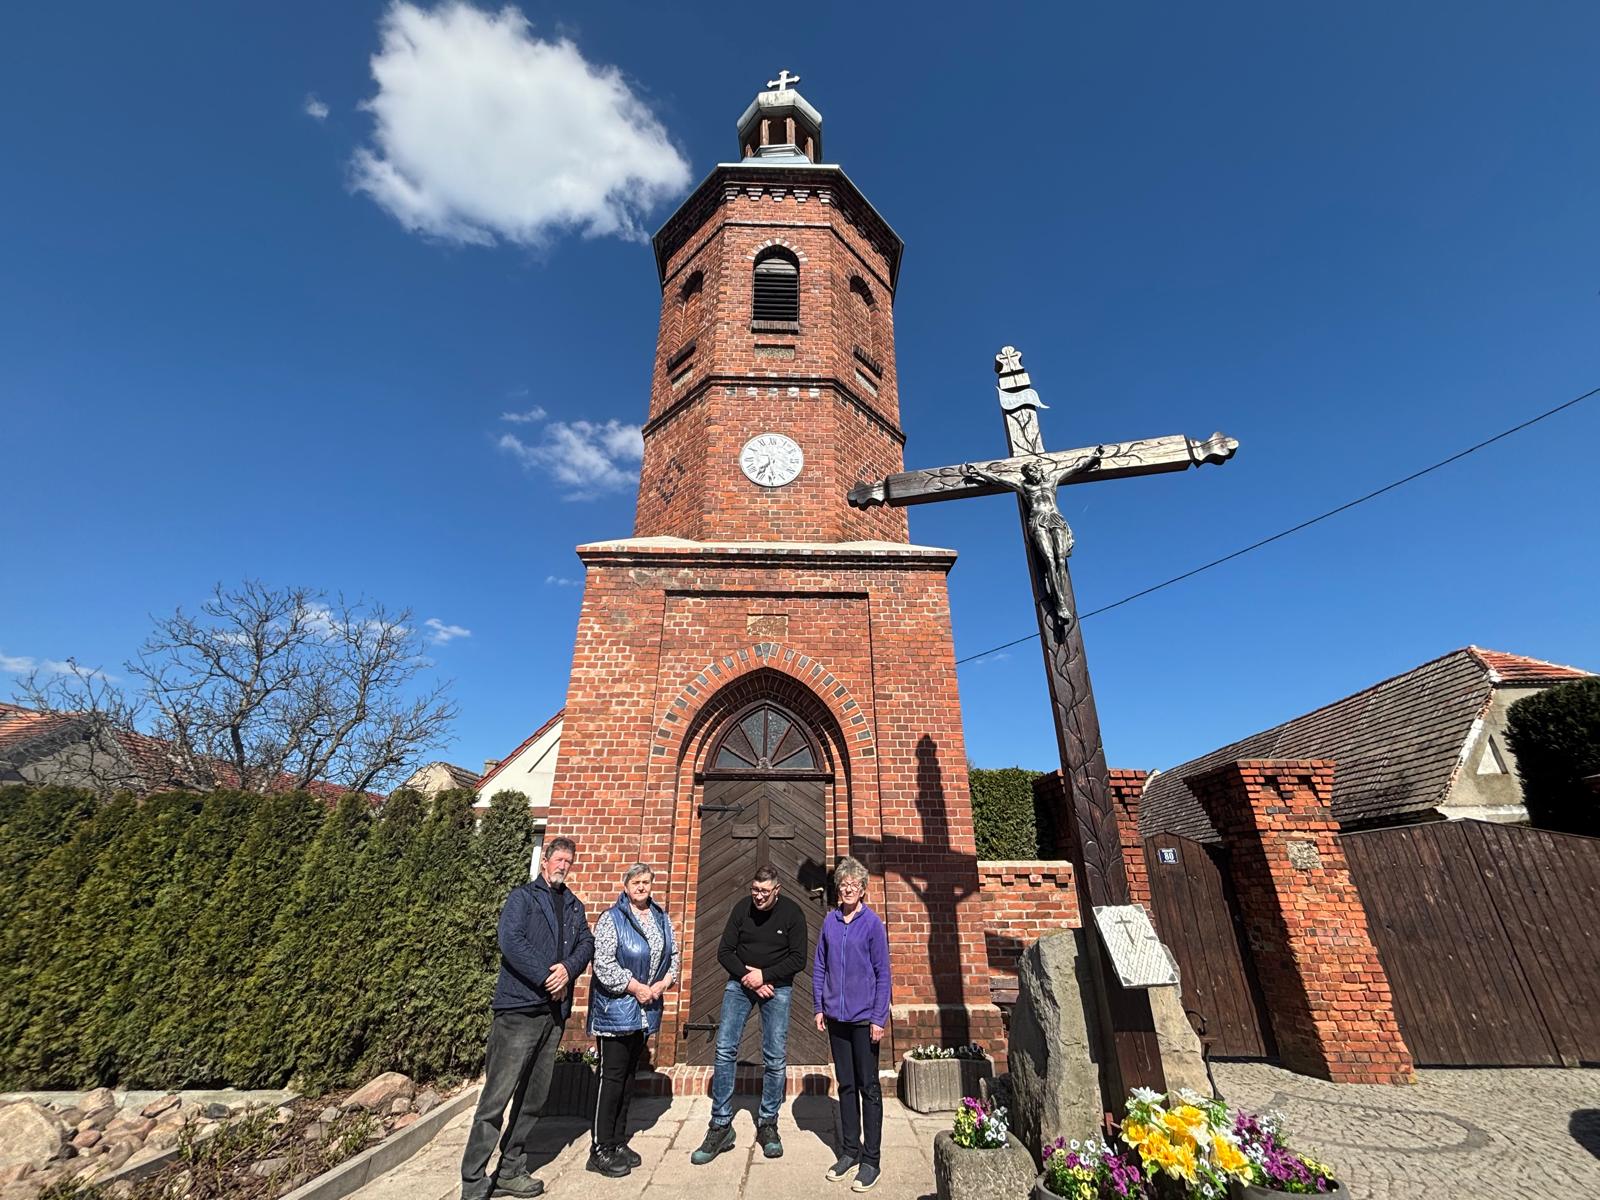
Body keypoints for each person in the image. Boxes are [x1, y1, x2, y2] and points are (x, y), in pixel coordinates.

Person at [461, 837, 594, 1200]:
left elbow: (587, 945)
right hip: (518, 1011)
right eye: (559, 860)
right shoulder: (522, 898)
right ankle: (473, 1182)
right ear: (544, 862)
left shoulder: (574, 906)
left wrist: (567, 970)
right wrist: (547, 977)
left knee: (533, 1098)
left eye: (570, 861)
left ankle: (510, 1169)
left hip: (552, 1016)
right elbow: (511, 941)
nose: (564, 866)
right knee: (496, 1099)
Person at [690, 865, 809, 1165]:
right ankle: (720, 1125)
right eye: (755, 890)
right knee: (725, 1049)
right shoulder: (742, 908)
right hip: (741, 983)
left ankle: (768, 1123)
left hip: (777, 986)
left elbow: (799, 958)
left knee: (775, 1056)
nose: (758, 896)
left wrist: (766, 976)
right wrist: (748, 977)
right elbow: (724, 951)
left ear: (777, 891)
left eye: (764, 892)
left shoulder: (793, 913)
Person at [584, 862, 681, 1178]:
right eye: (636, 882)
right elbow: (603, 964)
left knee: (629, 1077)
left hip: (645, 1011)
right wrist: (636, 987)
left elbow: (674, 959)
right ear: (625, 886)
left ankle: (618, 1140)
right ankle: (600, 1148)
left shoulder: (661, 918)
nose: (642, 887)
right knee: (611, 1078)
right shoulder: (612, 919)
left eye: (647, 882)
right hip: (617, 1010)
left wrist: (662, 984)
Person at [812, 856, 891, 1192]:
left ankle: (871, 1160)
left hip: (863, 1020)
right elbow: (819, 966)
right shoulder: (830, 922)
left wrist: (878, 1018)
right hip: (836, 1018)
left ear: (862, 890)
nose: (847, 889)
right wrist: (819, 1006)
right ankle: (849, 1151)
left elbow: (883, 973)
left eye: (853, 885)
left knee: (868, 1088)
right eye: (843, 885)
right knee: (845, 1085)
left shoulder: (872, 924)